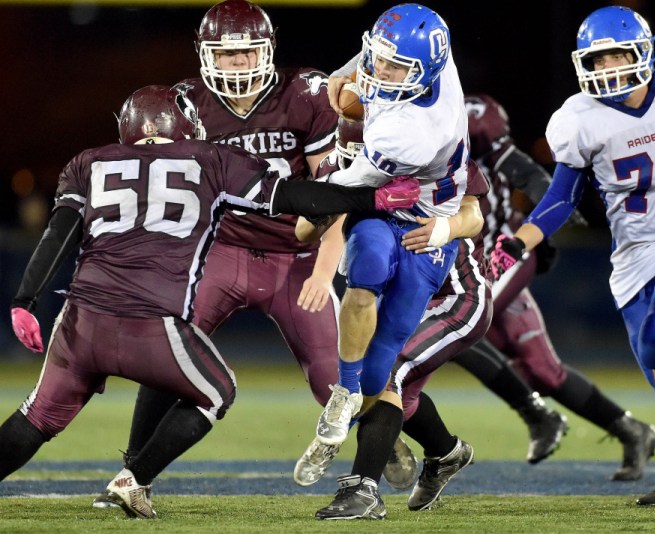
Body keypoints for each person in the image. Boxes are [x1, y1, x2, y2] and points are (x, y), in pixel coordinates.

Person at [4, 85, 419, 519]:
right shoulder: (208, 159)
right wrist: (370, 197)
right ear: (183, 124)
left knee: (36, 419)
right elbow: (299, 198)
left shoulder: (88, 161)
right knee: (216, 391)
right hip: (151, 323)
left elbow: (58, 234)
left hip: (79, 321)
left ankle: (129, 476)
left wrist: (24, 300)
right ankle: (133, 480)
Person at [91, 0, 349, 506]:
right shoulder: (183, 106)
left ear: (268, 50)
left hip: (293, 257)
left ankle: (402, 452)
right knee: (168, 353)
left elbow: (335, 194)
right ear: (205, 55)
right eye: (226, 56)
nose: (237, 66)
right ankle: (133, 477)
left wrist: (324, 269)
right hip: (221, 252)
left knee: (336, 379)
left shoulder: (305, 94)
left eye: (247, 53)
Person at [491, 6, 655, 507]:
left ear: (643, 53)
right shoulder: (580, 119)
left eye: (616, 57)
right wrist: (521, 240)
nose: (607, 70)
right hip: (632, 257)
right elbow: (562, 198)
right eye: (598, 60)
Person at [296, 3, 471, 520]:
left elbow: (336, 199)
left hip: (422, 228)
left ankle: (370, 399)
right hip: (385, 214)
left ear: (425, 74)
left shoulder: (411, 133)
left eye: (396, 69)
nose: (379, 73)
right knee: (367, 263)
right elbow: (380, 56)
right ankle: (343, 395)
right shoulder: (433, 56)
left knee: (383, 370)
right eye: (379, 59)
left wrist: (303, 214)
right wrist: (348, 70)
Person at [450, 93, 655, 481]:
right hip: (461, 267)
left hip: (501, 257)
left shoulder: (476, 132)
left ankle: (537, 416)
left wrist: (544, 218)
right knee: (545, 372)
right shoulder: (415, 134)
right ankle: (631, 429)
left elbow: (528, 173)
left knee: (451, 327)